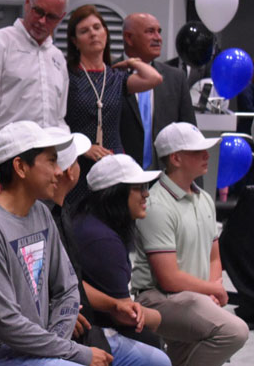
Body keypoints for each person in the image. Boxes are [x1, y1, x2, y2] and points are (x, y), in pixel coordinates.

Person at [0, 120, 113, 366]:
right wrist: (71, 351)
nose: (59, 171)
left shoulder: (40, 212)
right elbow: (7, 323)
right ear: (20, 167)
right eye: (51, 161)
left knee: (154, 360)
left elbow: (69, 288)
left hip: (40, 349)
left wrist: (56, 344)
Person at [132, 122, 249, 366]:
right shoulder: (157, 205)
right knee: (234, 331)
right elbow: (169, 278)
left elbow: (214, 257)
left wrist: (213, 287)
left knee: (189, 354)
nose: (207, 155)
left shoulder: (204, 199)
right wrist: (211, 290)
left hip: (195, 298)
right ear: (176, 158)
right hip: (158, 298)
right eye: (198, 151)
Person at [0, 0, 71, 207]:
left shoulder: (57, 58)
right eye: (38, 11)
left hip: (41, 166)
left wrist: (65, 161)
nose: (42, 21)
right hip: (2, 160)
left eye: (51, 16)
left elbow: (59, 119)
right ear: (27, 3)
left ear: (61, 18)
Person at [71, 154, 171, 364]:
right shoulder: (102, 240)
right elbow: (125, 315)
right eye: (138, 188)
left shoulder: (89, 222)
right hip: (93, 330)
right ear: (115, 195)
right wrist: (159, 318)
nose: (146, 195)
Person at [65, 5, 162, 205]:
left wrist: (132, 63)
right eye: (84, 31)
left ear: (106, 33)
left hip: (113, 163)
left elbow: (154, 79)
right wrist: (82, 147)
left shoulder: (116, 77)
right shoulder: (68, 77)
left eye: (97, 27)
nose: (93, 34)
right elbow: (56, 123)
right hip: (80, 162)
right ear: (75, 41)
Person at [119, 13, 196, 170]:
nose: (158, 38)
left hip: (164, 178)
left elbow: (190, 135)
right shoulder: (110, 74)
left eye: (159, 31)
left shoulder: (176, 78)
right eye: (150, 31)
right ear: (128, 37)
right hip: (121, 177)